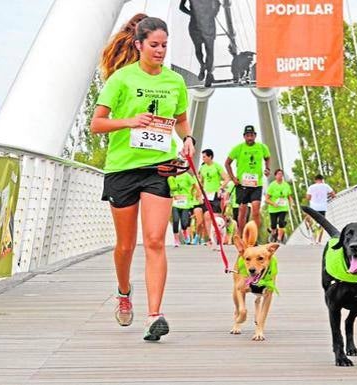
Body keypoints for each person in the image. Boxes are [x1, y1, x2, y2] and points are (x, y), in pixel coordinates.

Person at [90, 14, 196, 341]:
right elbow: (97, 124)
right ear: (138, 45)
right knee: (125, 246)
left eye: (164, 45)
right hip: (122, 168)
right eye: (154, 45)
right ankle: (124, 291)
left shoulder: (174, 82)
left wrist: (188, 140)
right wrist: (130, 121)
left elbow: (180, 121)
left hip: (158, 168)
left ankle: (155, 315)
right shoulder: (121, 79)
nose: (160, 50)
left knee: (153, 240)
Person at [225, 125, 271, 234]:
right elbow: (227, 163)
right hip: (242, 184)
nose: (250, 138)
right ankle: (242, 236)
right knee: (242, 211)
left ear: (255, 136)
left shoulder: (262, 147)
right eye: (247, 135)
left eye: (251, 135)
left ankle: (254, 236)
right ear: (244, 136)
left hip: (256, 184)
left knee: (255, 211)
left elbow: (267, 157)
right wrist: (233, 178)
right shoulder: (238, 148)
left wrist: (267, 168)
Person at [179, 0, 221, 87]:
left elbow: (217, 3)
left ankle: (207, 71)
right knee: (204, 49)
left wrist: (213, 13)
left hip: (202, 22)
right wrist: (212, 14)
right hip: (202, 23)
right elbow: (181, 7)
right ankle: (205, 68)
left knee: (204, 49)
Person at [199, 149, 229, 247]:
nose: (203, 158)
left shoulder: (217, 166)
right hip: (206, 195)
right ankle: (211, 239)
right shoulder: (202, 168)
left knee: (216, 218)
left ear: (210, 156)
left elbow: (226, 178)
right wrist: (200, 191)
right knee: (207, 216)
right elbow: (201, 180)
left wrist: (221, 188)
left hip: (215, 194)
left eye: (204, 156)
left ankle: (220, 236)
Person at [168, 169, 200, 247]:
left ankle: (185, 232)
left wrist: (194, 194)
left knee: (184, 222)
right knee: (175, 220)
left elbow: (195, 185)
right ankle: (176, 239)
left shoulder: (186, 175)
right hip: (175, 202)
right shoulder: (171, 176)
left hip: (185, 202)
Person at [305, 174, 336, 244]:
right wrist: (327, 196)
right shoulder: (326, 186)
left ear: (315, 180)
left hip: (313, 208)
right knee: (321, 224)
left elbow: (308, 197)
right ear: (322, 180)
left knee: (313, 223)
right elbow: (333, 195)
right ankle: (319, 241)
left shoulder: (311, 187)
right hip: (322, 207)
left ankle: (313, 240)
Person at [265, 169, 293, 243]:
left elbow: (289, 196)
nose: (280, 175)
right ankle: (273, 233)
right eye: (278, 174)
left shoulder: (286, 185)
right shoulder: (272, 185)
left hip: (283, 208)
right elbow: (266, 199)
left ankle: (279, 239)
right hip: (273, 208)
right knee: (273, 224)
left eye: (281, 174)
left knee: (281, 222)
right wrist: (273, 203)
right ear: (275, 176)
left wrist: (292, 204)